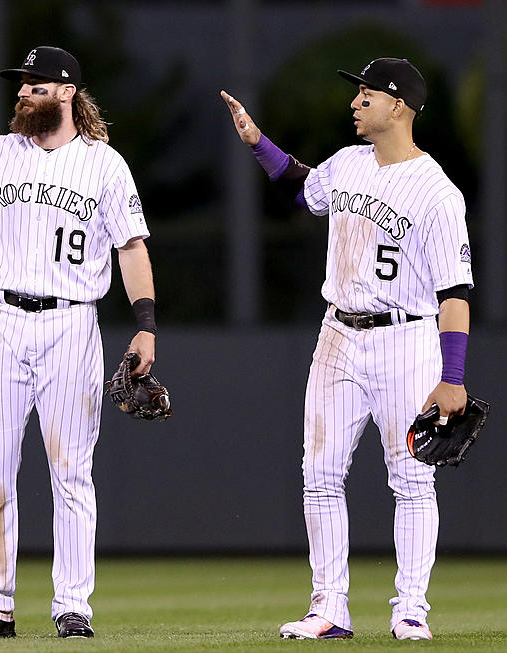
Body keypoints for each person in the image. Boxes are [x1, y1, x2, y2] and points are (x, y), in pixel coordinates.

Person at [0, 47, 158, 639]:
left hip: (72, 323)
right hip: (3, 321)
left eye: (36, 86)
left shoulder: (103, 164)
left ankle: (72, 607)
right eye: (21, 85)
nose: (23, 93)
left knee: (72, 472)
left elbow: (132, 247)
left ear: (67, 93)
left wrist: (144, 324)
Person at [221, 57, 473, 641]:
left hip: (407, 337)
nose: (356, 101)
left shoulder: (438, 192)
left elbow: (455, 294)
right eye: (356, 93)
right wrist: (259, 142)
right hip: (337, 333)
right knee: (320, 473)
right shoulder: (348, 164)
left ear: (400, 105)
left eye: (368, 93)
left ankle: (411, 608)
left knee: (411, 477)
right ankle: (329, 608)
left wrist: (453, 376)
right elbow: (299, 185)